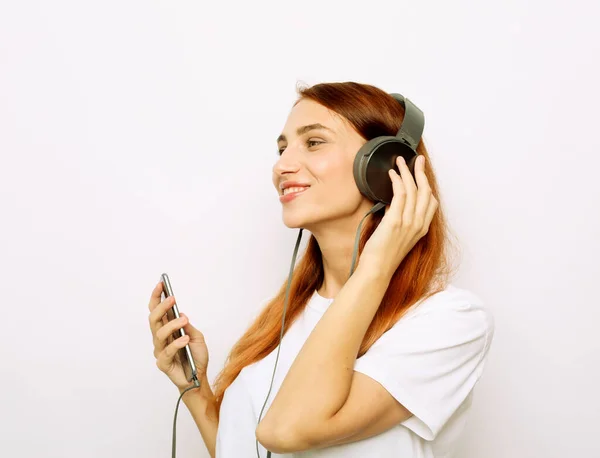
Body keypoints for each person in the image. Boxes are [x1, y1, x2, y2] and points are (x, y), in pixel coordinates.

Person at [147, 81, 495, 458]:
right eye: (282, 149)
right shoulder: (280, 324)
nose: (282, 165)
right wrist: (196, 393)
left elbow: (287, 431)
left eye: (313, 142)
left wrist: (377, 263)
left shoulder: (450, 321)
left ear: (384, 165)